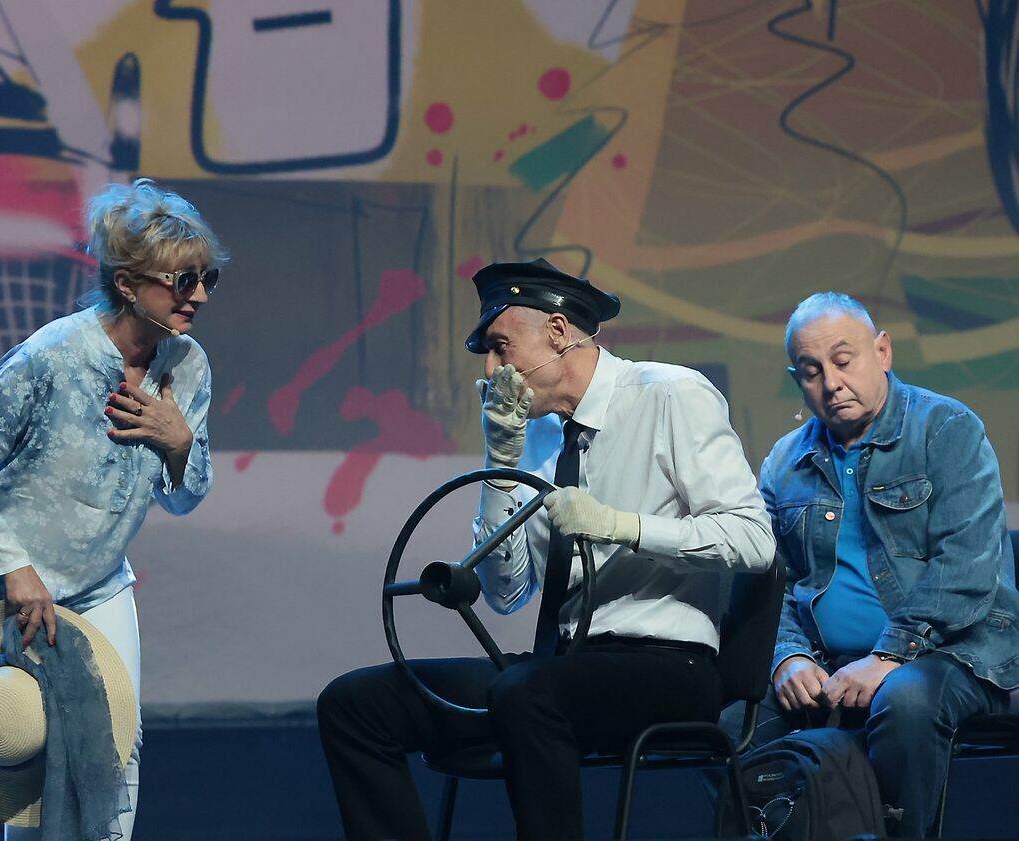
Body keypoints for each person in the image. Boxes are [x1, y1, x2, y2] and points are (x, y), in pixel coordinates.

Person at [317, 257, 775, 841]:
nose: (491, 370)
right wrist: (500, 466)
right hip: (556, 673)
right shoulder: (536, 435)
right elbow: (506, 594)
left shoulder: (670, 395)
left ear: (557, 332)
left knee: (526, 693)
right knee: (355, 705)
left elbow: (753, 539)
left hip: (666, 666)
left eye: (500, 348)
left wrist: (623, 526)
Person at [0, 178, 224, 839]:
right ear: (127, 284)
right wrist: (13, 568)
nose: (200, 295)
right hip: (10, 580)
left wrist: (179, 445)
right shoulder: (52, 356)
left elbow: (183, 497)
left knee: (115, 743)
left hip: (98, 580)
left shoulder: (187, 366)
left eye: (207, 279)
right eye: (183, 281)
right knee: (33, 749)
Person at [749, 291, 1019, 837]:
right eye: (811, 371)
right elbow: (770, 581)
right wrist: (787, 657)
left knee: (906, 699)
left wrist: (889, 655)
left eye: (843, 361)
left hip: (957, 653)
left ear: (883, 352)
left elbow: (966, 569)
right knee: (735, 722)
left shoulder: (946, 429)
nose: (830, 383)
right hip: (831, 662)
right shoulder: (784, 462)